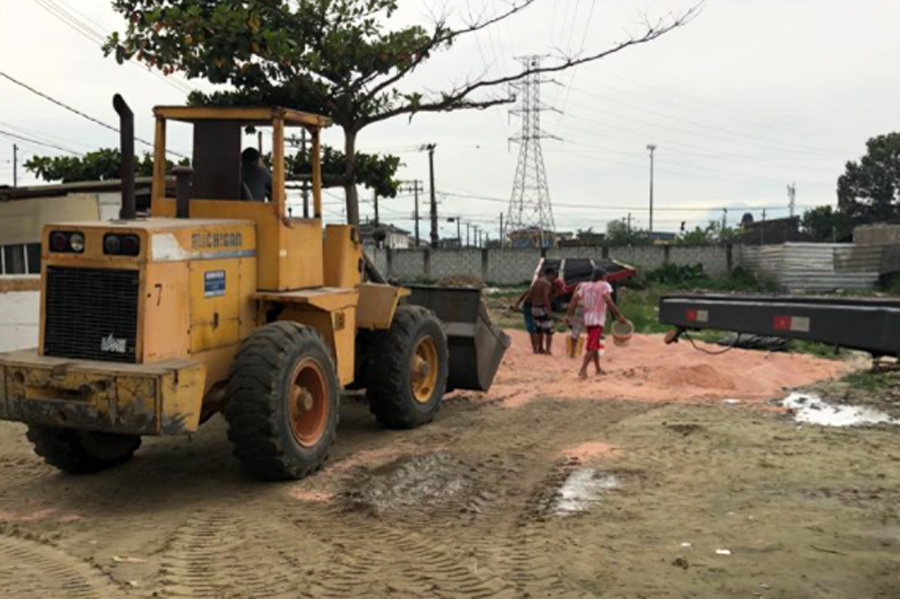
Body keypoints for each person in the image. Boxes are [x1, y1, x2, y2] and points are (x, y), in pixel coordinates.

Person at [566, 267, 626, 378]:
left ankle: (598, 368)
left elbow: (574, 299)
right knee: (592, 346)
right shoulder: (604, 285)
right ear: (603, 277)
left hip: (588, 319)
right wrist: (618, 316)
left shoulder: (584, 286)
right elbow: (608, 300)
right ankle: (583, 369)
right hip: (598, 320)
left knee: (595, 344)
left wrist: (569, 315)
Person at [523, 267, 558, 354]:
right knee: (549, 330)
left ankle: (540, 348)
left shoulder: (537, 281)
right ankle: (548, 350)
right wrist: (549, 310)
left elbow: (530, 294)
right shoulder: (546, 284)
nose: (554, 279)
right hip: (542, 308)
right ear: (551, 274)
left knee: (539, 329)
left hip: (534, 308)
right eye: (554, 276)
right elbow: (545, 298)